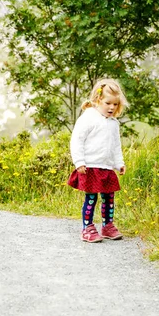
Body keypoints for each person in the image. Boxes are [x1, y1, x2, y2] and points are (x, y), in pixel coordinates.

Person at [67, 78, 128, 243]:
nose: (112, 107)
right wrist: (79, 162)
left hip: (107, 167)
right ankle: (87, 228)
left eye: (115, 104)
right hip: (90, 167)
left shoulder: (114, 123)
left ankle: (107, 226)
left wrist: (119, 163)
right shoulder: (89, 118)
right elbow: (77, 140)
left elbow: (116, 145)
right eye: (108, 103)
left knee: (109, 198)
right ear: (98, 100)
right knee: (91, 198)